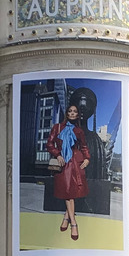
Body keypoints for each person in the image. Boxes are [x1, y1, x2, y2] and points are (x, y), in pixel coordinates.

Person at [46, 102, 91, 241]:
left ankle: (67, 217)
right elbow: (49, 144)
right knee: (68, 193)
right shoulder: (57, 127)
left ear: (77, 115)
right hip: (63, 163)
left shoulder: (79, 131)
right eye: (70, 111)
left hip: (76, 162)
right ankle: (74, 223)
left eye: (74, 111)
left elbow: (84, 146)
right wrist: (57, 154)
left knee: (72, 193)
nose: (72, 113)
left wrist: (87, 158)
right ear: (67, 113)